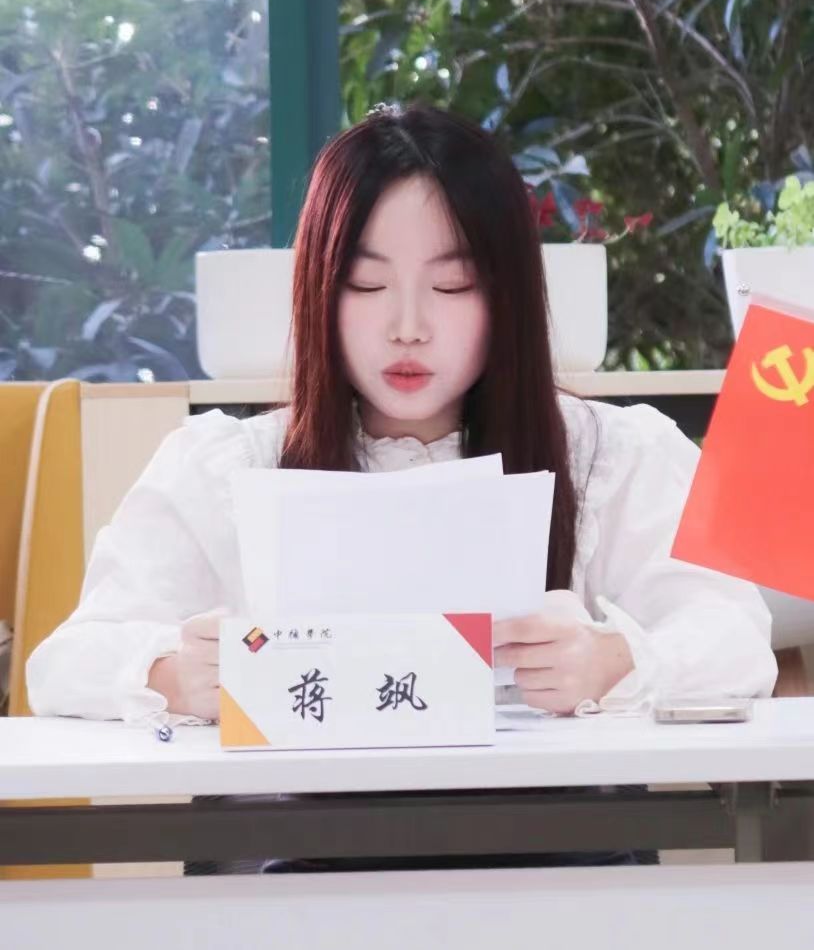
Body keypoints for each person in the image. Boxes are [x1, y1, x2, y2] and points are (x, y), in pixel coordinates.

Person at [27, 102, 777, 728]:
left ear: (508, 296)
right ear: (318, 292)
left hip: (556, 841)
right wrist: (171, 673)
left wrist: (614, 659)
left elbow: (737, 636)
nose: (408, 327)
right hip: (293, 847)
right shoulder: (224, 467)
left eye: (452, 286)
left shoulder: (611, 455)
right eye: (365, 284)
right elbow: (62, 662)